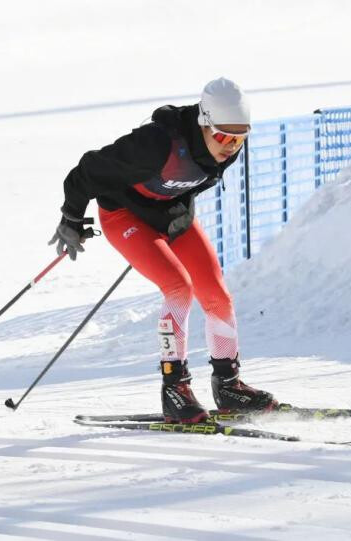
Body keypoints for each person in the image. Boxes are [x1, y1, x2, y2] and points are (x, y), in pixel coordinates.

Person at [49, 77, 277, 423]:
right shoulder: (155, 144)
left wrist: (168, 213)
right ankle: (175, 388)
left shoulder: (225, 146)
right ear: (204, 122)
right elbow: (88, 169)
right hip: (124, 214)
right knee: (178, 287)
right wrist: (72, 218)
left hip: (170, 214)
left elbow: (187, 180)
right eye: (223, 136)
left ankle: (229, 385)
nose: (231, 146)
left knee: (217, 294)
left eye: (239, 137)